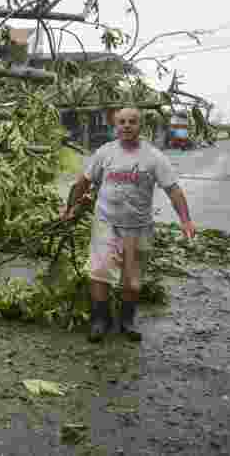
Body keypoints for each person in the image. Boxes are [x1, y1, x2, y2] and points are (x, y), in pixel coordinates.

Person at [63, 107, 197, 343]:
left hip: (138, 227)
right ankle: (99, 320)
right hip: (107, 223)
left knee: (132, 280)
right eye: (122, 122)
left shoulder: (154, 157)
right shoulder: (105, 153)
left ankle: (126, 321)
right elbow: (83, 182)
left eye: (132, 122)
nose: (126, 126)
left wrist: (185, 220)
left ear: (140, 126)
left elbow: (173, 190)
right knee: (100, 272)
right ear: (116, 126)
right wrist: (70, 207)